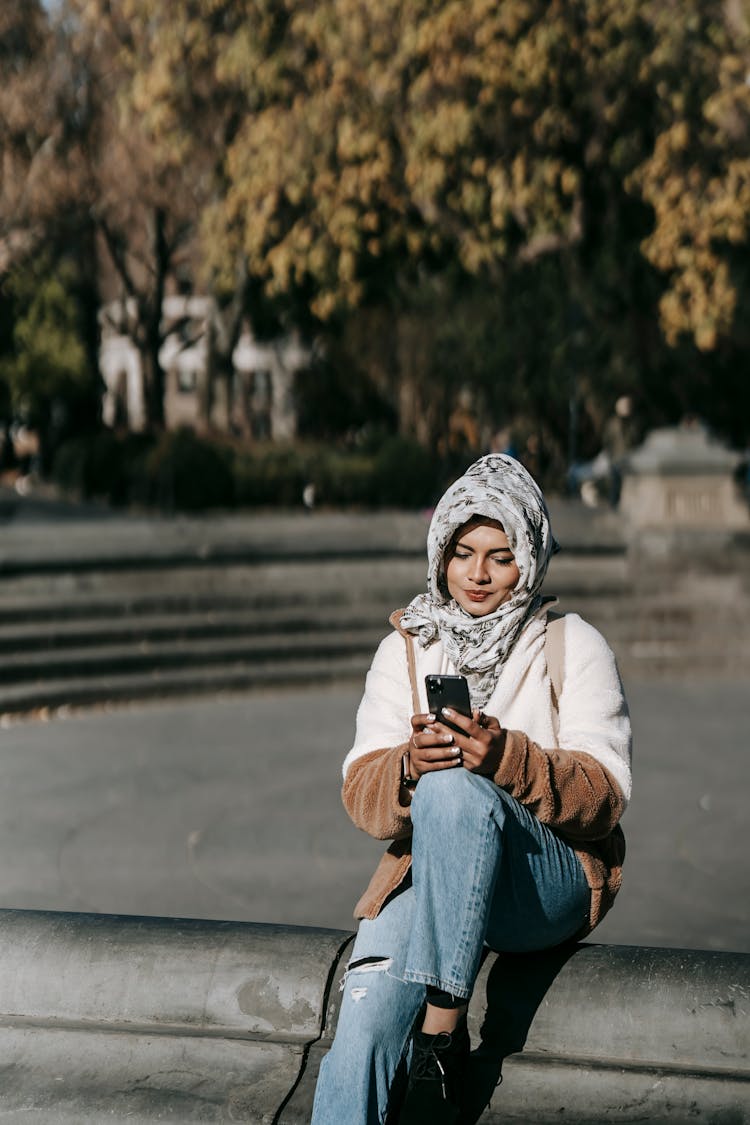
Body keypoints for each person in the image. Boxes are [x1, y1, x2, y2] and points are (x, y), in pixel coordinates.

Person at [311, 454, 631, 1125]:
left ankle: (439, 1035)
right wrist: (407, 766)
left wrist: (507, 758)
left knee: (459, 789)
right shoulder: (409, 645)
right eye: (462, 554)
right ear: (441, 556)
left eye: (500, 555)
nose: (477, 574)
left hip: (542, 879)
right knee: (361, 1028)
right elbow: (360, 791)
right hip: (432, 874)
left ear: (532, 559)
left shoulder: (572, 644)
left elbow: (605, 795)